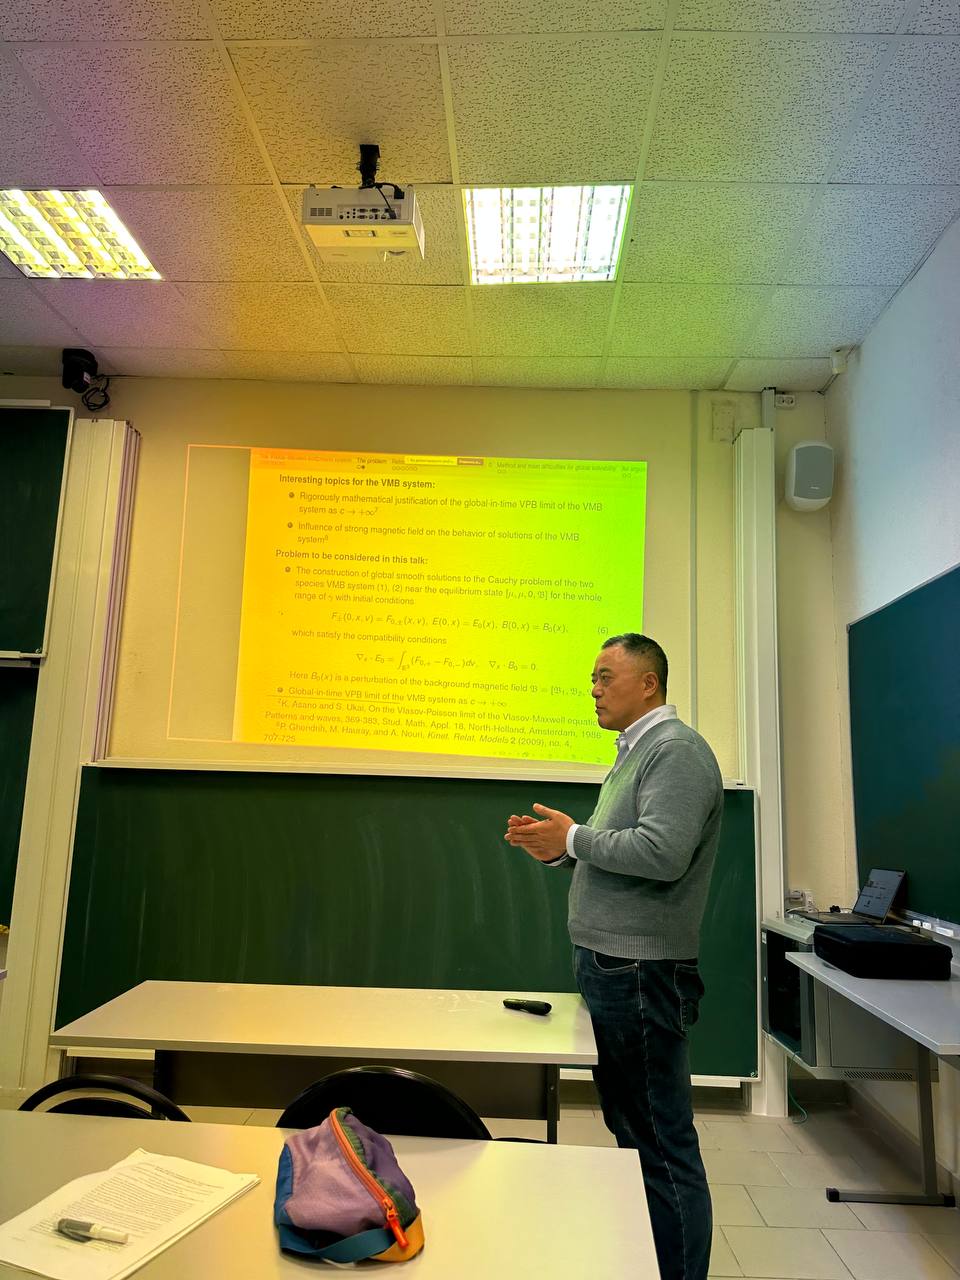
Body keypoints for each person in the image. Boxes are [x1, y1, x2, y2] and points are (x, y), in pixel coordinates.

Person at [504, 633, 722, 1280]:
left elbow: (662, 853)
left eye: (605, 677)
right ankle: (651, 1260)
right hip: (616, 966)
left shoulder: (675, 751)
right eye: (592, 679)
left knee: (658, 1140)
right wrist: (561, 849)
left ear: (649, 683)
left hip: (639, 971)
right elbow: (624, 850)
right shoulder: (638, 752)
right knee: (635, 1129)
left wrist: (574, 836)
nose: (593, 690)